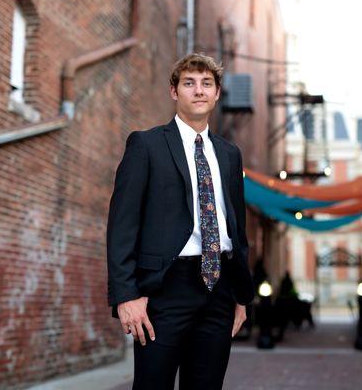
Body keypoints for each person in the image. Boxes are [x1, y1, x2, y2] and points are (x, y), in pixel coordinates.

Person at [106, 53, 255, 389]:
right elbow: (122, 227)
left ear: (217, 93)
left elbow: (237, 228)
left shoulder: (230, 154)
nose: (198, 91)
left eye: (207, 84)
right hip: (164, 291)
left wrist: (241, 295)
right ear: (174, 92)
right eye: (189, 83)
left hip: (219, 289)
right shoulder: (146, 145)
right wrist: (125, 295)